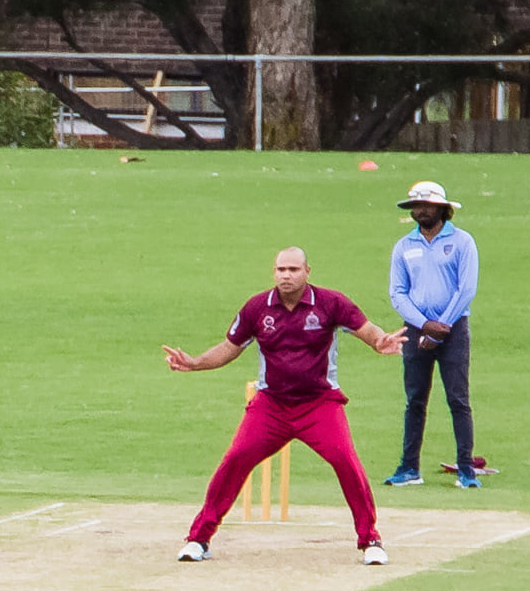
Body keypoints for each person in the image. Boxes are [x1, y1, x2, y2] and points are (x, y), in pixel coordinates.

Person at [164, 247, 405, 565]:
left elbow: (368, 330)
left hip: (319, 404)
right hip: (271, 406)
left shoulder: (331, 303)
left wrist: (380, 341)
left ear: (307, 271)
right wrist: (194, 363)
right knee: (235, 459)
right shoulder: (257, 307)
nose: (286, 275)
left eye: (293, 269)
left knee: (345, 460)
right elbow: (229, 348)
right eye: (280, 269)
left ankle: (370, 539)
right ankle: (198, 538)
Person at [384, 181, 482, 488]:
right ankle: (408, 467)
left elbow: (465, 289)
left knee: (458, 399)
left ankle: (466, 469)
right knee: (414, 399)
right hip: (416, 329)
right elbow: (398, 293)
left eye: (426, 205)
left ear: (442, 208)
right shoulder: (404, 246)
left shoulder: (462, 242)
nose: (420, 210)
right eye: (415, 206)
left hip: (453, 329)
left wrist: (441, 327)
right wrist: (423, 324)